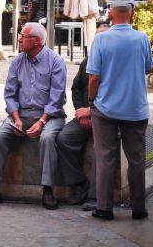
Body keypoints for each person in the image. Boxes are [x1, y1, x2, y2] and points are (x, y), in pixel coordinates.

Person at [0, 22, 66, 209]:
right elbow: (9, 94)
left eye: (23, 36)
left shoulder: (55, 61)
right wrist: (16, 120)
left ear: (37, 41)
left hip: (50, 115)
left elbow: (57, 98)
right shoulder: (17, 61)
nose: (19, 39)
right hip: (21, 114)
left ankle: (47, 190)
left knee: (47, 138)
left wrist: (41, 122)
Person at [88, 0, 153, 221]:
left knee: (105, 158)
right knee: (137, 160)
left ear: (110, 13)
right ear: (132, 13)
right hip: (135, 109)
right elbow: (148, 67)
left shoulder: (101, 40)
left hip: (105, 108)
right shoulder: (142, 38)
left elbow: (93, 77)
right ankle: (138, 208)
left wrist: (91, 100)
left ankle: (104, 208)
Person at [56, 24, 110, 211]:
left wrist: (91, 111)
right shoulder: (88, 61)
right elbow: (76, 88)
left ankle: (96, 196)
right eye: (97, 38)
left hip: (107, 117)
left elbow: (113, 95)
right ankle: (78, 183)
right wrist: (80, 111)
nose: (100, 41)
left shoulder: (114, 62)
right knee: (64, 138)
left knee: (99, 149)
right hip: (85, 115)